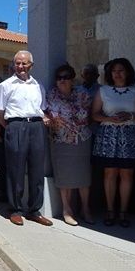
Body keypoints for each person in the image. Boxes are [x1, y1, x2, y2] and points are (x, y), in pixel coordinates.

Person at [91, 58, 135, 228]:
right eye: (114, 71)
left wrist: (131, 116)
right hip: (109, 135)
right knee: (109, 173)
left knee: (127, 174)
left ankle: (123, 211)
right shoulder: (103, 91)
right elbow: (94, 114)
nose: (117, 74)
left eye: (121, 70)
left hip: (130, 136)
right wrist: (109, 119)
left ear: (128, 72)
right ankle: (110, 210)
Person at [0, 50, 53, 227]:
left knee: (37, 169)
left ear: (31, 65)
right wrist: (11, 128)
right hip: (15, 126)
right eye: (17, 63)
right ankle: (15, 209)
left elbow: (42, 108)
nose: (20, 66)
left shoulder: (38, 86)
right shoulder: (5, 85)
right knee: (16, 169)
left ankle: (34, 210)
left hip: (36, 126)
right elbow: (0, 113)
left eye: (24, 63)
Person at [46, 64, 94, 226]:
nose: (62, 80)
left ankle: (85, 209)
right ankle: (67, 209)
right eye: (59, 77)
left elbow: (88, 115)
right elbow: (49, 115)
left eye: (66, 77)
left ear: (73, 79)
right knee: (64, 175)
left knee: (83, 175)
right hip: (61, 140)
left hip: (81, 139)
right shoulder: (51, 95)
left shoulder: (83, 93)